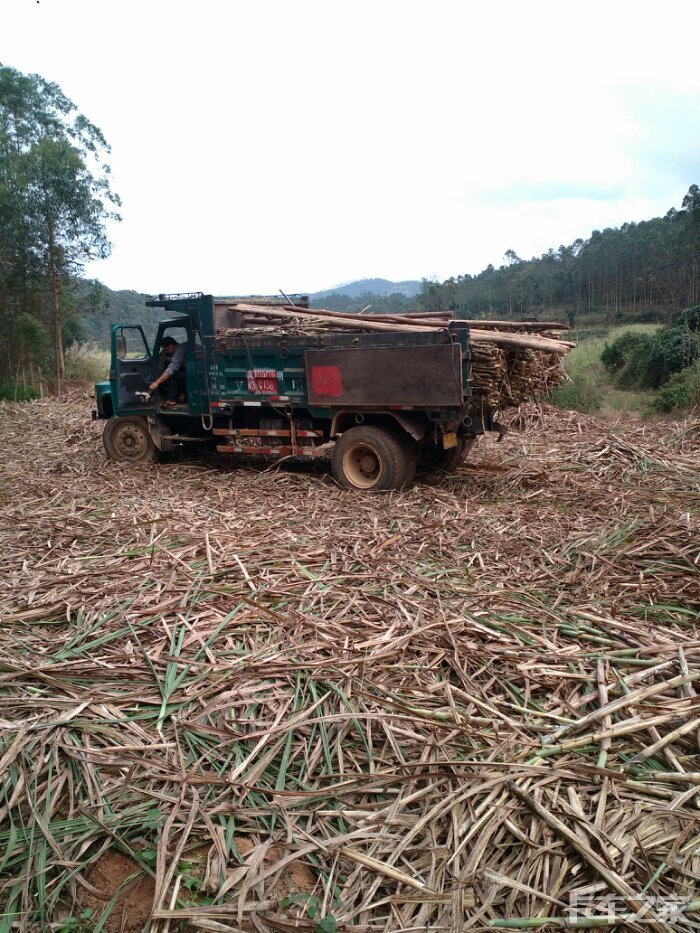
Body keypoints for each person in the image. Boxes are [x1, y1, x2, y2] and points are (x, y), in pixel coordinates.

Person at [149, 336, 186, 406]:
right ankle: (182, 395)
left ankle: (171, 400)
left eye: (165, 349)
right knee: (179, 373)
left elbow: (172, 368)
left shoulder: (180, 349)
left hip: (195, 370)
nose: (166, 351)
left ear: (171, 346)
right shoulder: (181, 347)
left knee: (173, 375)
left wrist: (157, 382)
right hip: (192, 369)